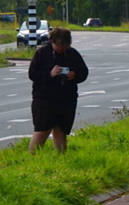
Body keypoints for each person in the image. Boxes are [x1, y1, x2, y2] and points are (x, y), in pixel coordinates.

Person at [28, 26, 89, 154]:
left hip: (66, 99)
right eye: (58, 45)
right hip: (44, 98)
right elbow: (32, 74)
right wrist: (50, 74)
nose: (61, 48)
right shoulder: (42, 53)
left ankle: (61, 159)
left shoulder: (72, 54)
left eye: (64, 46)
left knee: (61, 130)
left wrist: (74, 75)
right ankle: (32, 158)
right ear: (52, 41)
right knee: (42, 130)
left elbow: (84, 72)